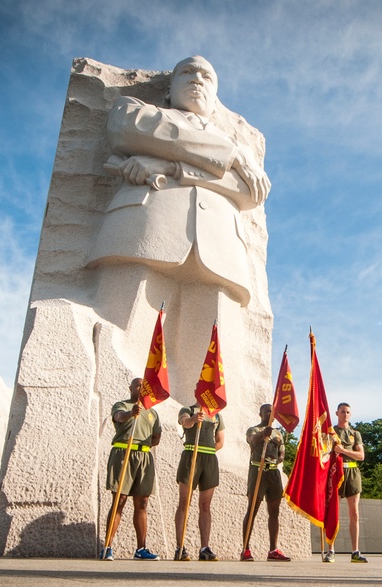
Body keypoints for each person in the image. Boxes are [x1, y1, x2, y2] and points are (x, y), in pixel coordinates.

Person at [88, 55, 272, 402]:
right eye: (187, 72)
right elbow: (129, 128)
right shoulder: (138, 110)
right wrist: (231, 155)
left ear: (215, 98)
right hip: (145, 230)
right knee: (121, 341)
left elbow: (251, 192)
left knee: (208, 376)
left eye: (207, 76)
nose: (197, 79)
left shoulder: (241, 153)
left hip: (219, 249)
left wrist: (169, 166)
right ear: (169, 91)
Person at [102, 378, 163, 561]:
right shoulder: (122, 405)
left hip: (143, 457)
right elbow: (118, 417)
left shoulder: (152, 412)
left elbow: (156, 437)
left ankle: (141, 548)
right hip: (123, 454)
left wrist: (145, 445)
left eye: (144, 386)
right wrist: (131, 414)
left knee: (142, 502)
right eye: (137, 385)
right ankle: (107, 547)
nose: (141, 388)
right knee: (119, 499)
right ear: (130, 388)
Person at [240, 404, 290, 562]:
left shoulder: (278, 434)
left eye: (272, 411)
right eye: (267, 411)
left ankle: (273, 549)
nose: (269, 414)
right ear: (260, 413)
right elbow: (251, 441)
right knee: (252, 509)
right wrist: (263, 435)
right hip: (258, 471)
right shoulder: (253, 430)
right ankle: (245, 549)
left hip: (273, 472)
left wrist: (278, 457)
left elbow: (282, 453)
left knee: (274, 511)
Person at [175, 403, 224, 561]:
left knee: (205, 505)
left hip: (208, 459)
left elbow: (220, 441)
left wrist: (207, 450)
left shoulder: (217, 415)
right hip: (191, 455)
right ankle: (180, 547)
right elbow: (184, 422)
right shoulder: (188, 410)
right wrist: (194, 419)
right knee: (184, 501)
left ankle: (204, 548)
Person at [330, 404, 368, 564]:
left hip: (352, 473)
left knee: (355, 513)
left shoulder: (355, 434)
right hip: (336, 472)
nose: (345, 414)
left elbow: (361, 456)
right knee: (333, 512)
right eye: (342, 412)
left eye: (348, 412)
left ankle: (355, 551)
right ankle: (330, 550)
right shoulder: (331, 431)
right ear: (337, 413)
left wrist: (344, 451)